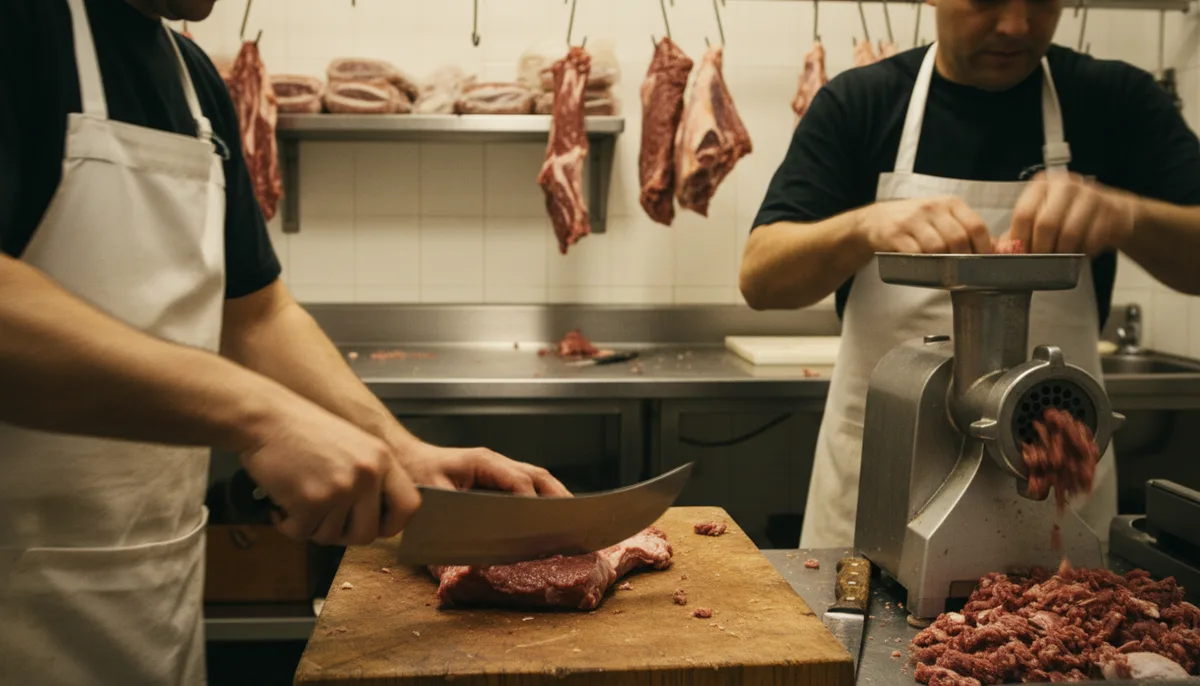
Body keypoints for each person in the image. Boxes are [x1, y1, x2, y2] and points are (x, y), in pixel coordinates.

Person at [0, 0, 570, 683]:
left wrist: (402, 449)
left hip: (150, 592)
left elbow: (256, 315)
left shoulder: (194, 83)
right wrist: (262, 417)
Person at [740, 0, 1200, 550]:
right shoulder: (860, 102)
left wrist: (1127, 215)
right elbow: (760, 277)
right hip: (883, 492)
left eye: (1040, 3)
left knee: (1061, 627)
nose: (1015, 26)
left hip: (1052, 488)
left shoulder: (1114, 101)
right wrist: (862, 227)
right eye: (986, 0)